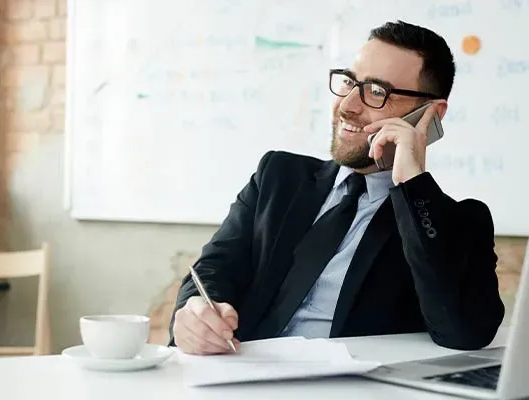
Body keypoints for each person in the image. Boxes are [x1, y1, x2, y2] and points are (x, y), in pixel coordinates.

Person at [169, 20, 504, 355]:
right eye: (349, 83)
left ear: (430, 114)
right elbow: (212, 270)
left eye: (376, 92)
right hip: (242, 373)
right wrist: (194, 313)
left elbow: (464, 332)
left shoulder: (455, 223)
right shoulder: (278, 176)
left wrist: (412, 186)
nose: (347, 105)